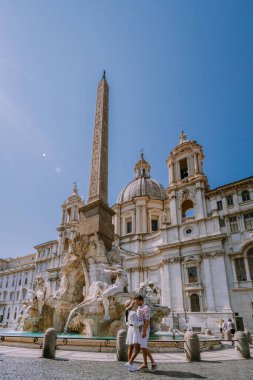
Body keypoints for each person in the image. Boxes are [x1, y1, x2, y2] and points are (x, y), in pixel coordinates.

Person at [134, 294, 158, 372]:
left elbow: (147, 320)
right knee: (142, 346)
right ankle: (144, 364)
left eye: (137, 301)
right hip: (139, 330)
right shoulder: (139, 307)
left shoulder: (145, 308)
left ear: (141, 300)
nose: (136, 303)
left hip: (144, 330)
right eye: (136, 301)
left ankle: (153, 363)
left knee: (144, 346)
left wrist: (144, 331)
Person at [124, 299, 142, 372]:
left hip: (130, 330)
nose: (134, 305)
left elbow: (126, 323)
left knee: (130, 348)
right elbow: (135, 323)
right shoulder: (133, 313)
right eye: (133, 304)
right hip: (134, 330)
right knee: (138, 349)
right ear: (131, 305)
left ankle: (130, 365)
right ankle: (130, 362)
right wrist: (142, 321)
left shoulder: (126, 312)